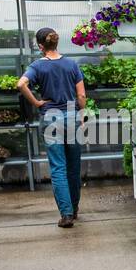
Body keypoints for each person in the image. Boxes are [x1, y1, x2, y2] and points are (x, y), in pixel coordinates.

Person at [17, 28, 86, 228]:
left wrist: (37, 103)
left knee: (58, 167)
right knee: (74, 166)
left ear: (41, 46)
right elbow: (81, 96)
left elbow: (21, 84)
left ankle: (66, 215)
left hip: (51, 119)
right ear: (56, 43)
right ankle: (74, 209)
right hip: (72, 116)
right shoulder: (71, 64)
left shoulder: (37, 66)